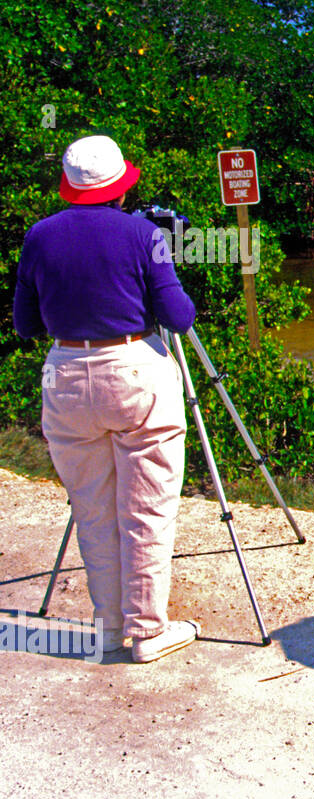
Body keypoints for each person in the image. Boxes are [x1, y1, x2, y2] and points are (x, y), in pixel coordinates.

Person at [14, 134, 202, 663]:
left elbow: (26, 324)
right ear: (121, 187)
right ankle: (148, 633)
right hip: (135, 374)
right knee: (147, 509)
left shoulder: (38, 237)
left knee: (93, 510)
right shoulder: (144, 234)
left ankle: (108, 627)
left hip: (66, 377)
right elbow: (178, 318)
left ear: (71, 189)